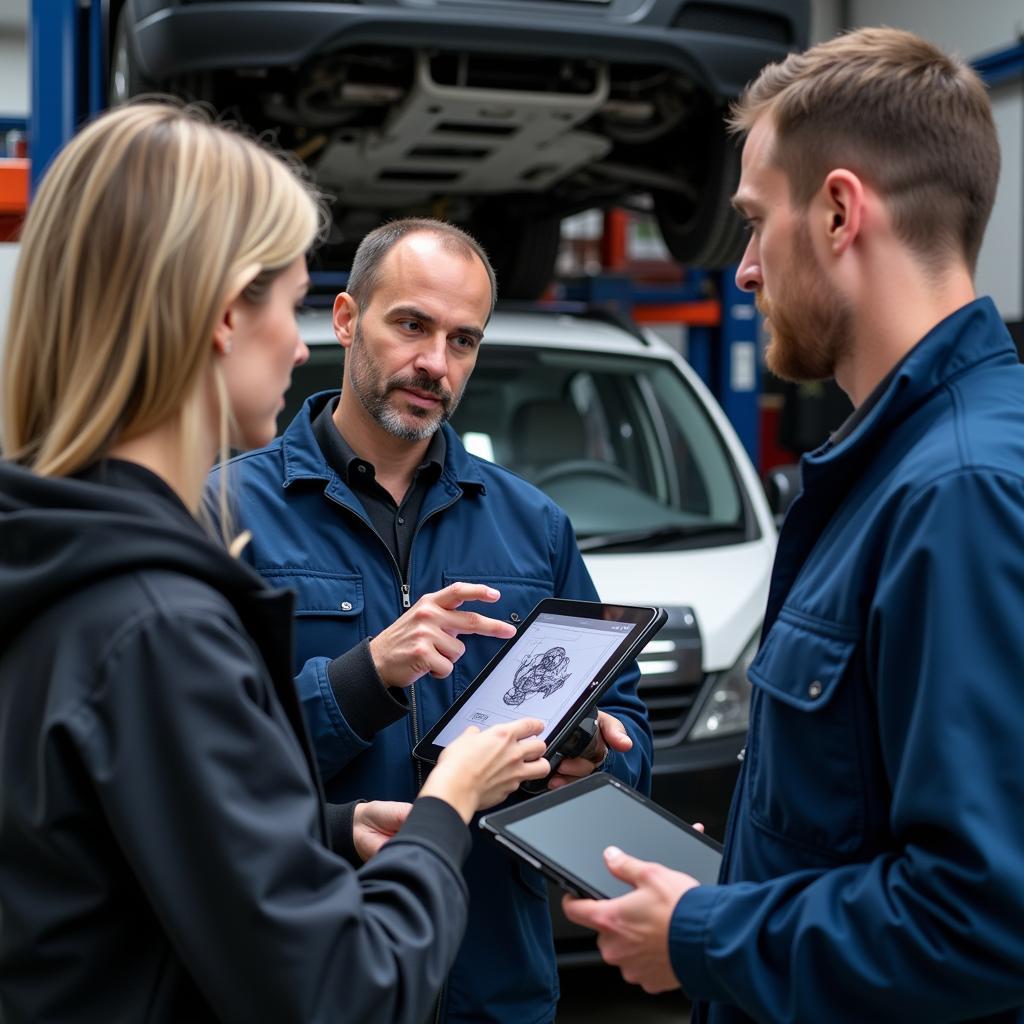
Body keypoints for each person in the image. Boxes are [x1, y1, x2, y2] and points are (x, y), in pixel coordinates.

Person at [0, 102, 553, 1024]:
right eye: (289, 302)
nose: (298, 345)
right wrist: (444, 808)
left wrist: (327, 833)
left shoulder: (55, 549)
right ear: (223, 315)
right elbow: (344, 994)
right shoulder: (159, 614)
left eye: (464, 339)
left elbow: (132, 851)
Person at [563, 26, 1024, 1023]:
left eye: (751, 222)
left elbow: (984, 915)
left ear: (837, 212)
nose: (742, 271)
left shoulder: (957, 493)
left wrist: (700, 934)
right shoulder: (897, 470)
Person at [209, 217, 654, 1022]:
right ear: (346, 319)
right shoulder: (232, 513)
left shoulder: (535, 525)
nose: (435, 364)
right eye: (411, 325)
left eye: (462, 340)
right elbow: (205, 762)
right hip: (311, 981)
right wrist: (363, 679)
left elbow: (627, 727)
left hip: (496, 982)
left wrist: (591, 760)